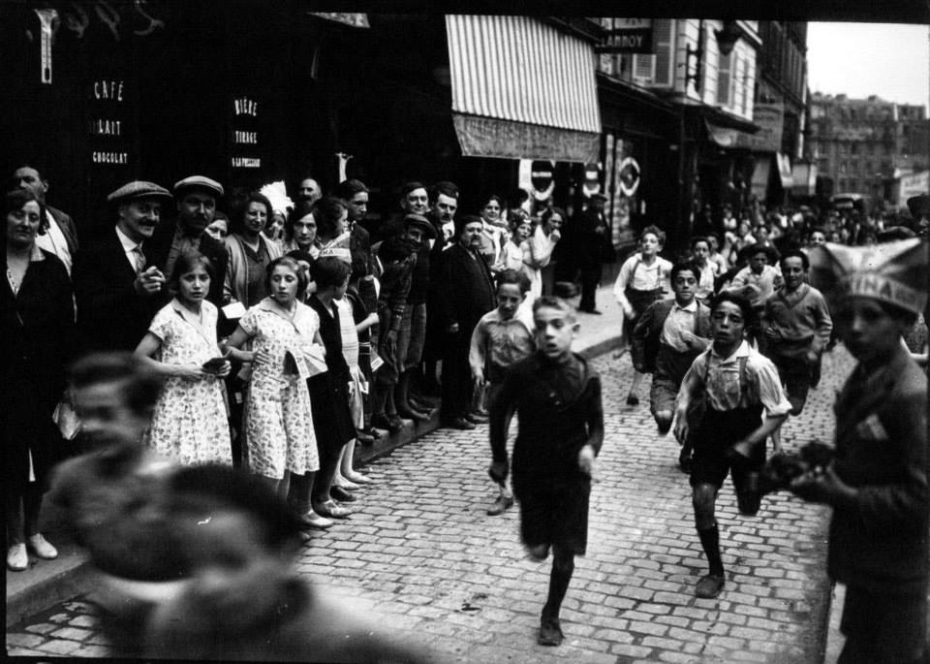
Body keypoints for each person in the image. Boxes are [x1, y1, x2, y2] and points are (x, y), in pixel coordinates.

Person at [792, 238, 928, 664]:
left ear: (904, 320)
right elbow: (872, 461)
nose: (853, 328)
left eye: (872, 316)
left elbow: (922, 496)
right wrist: (826, 464)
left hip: (896, 574)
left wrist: (843, 495)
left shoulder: (910, 394)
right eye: (846, 314)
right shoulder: (866, 374)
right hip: (867, 565)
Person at [488, 296, 604, 646]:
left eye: (557, 325)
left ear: (574, 330)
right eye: (541, 326)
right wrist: (499, 458)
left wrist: (590, 449)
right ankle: (537, 539)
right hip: (531, 471)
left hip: (572, 473)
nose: (549, 334)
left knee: (565, 551)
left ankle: (551, 614)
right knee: (538, 548)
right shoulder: (521, 373)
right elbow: (498, 414)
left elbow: (596, 427)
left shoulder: (587, 375)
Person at [673, 292, 792, 599]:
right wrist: (683, 414)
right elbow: (688, 386)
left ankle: (756, 486)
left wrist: (750, 443)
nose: (725, 324)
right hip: (712, 433)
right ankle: (715, 570)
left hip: (749, 434)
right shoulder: (705, 359)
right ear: (711, 320)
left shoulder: (757, 365)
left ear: (745, 328)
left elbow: (779, 413)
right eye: (719, 317)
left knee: (749, 505)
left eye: (734, 319)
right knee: (702, 498)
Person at [3, 189, 74, 571]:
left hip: (42, 380)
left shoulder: (52, 268)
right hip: (5, 380)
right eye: (17, 215)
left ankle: (34, 530)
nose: (25, 223)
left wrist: (67, 381)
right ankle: (13, 537)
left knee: (39, 458)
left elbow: (67, 328)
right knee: (9, 458)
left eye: (33, 218)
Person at [222, 257, 321, 518]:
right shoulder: (257, 313)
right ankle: (260, 523)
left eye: (289, 279)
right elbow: (227, 347)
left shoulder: (309, 315)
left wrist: (307, 354)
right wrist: (247, 357)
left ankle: (278, 522)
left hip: (295, 393)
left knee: (288, 459)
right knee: (270, 461)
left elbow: (321, 348)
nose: (282, 285)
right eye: (276, 279)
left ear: (300, 282)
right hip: (264, 395)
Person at [134, 252, 232, 466]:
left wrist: (222, 366)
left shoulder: (211, 310)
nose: (197, 285)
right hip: (176, 402)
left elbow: (209, 346)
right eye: (189, 278)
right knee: (178, 466)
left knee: (207, 466)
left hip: (207, 402)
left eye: (203, 278)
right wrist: (180, 370)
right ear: (178, 281)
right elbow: (137, 359)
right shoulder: (167, 317)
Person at [73, 181, 173, 352]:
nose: (153, 218)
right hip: (106, 360)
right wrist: (134, 290)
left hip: (145, 361)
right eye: (144, 209)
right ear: (122, 211)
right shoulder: (93, 252)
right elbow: (88, 308)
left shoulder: (154, 253)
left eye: (156, 211)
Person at [632, 262, 712, 472]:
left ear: (697, 285)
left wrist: (698, 341)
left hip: (695, 373)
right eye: (680, 281)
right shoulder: (660, 308)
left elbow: (719, 345)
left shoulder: (707, 314)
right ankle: (665, 420)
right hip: (666, 368)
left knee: (696, 418)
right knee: (663, 414)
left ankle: (687, 453)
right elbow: (638, 332)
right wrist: (639, 360)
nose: (685, 285)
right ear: (673, 285)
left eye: (690, 281)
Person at [297, 254, 358, 521]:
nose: (346, 289)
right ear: (334, 285)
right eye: (345, 283)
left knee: (340, 436)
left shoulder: (332, 308)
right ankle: (318, 497)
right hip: (319, 384)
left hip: (335, 379)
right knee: (326, 440)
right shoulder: (312, 311)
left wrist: (345, 377)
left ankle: (327, 489)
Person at [470, 269, 535, 515]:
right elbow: (476, 345)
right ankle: (504, 492)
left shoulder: (531, 323)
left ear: (524, 298)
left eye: (513, 299)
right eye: (502, 298)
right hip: (499, 386)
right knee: (498, 440)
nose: (507, 304)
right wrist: (477, 368)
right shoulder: (488, 321)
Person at [761, 249, 833, 452]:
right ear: (781, 272)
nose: (791, 274)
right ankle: (776, 446)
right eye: (787, 270)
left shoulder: (814, 297)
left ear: (805, 271)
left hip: (802, 357)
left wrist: (815, 349)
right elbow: (765, 318)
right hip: (777, 356)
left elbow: (825, 325)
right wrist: (768, 330)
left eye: (796, 270)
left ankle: (780, 415)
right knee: (774, 402)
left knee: (796, 407)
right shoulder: (774, 299)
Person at [436, 214, 496, 430]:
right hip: (460, 324)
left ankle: (467, 409)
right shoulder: (451, 256)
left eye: (479, 230)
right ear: (460, 233)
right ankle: (453, 414)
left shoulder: (476, 254)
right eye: (471, 230)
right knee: (456, 369)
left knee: (471, 367)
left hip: (477, 324)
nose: (476, 234)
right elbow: (444, 290)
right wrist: (450, 319)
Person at [613, 225, 672, 405]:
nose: (648, 244)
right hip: (635, 310)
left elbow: (677, 277)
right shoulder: (632, 263)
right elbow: (618, 288)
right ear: (640, 244)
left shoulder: (664, 265)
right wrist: (627, 308)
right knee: (637, 348)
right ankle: (639, 382)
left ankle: (635, 390)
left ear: (659, 247)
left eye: (652, 241)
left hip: (654, 310)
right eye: (645, 241)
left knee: (653, 348)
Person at [148, 175, 228, 308]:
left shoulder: (218, 252)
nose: (202, 211)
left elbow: (214, 301)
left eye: (208, 205)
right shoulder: (155, 234)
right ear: (179, 204)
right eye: (194, 202)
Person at [371, 234, 415, 433]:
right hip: (372, 320)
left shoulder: (404, 266)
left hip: (386, 317)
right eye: (402, 263)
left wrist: (394, 328)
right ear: (394, 261)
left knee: (389, 363)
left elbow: (401, 297)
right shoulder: (371, 268)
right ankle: (373, 415)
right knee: (373, 365)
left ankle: (383, 411)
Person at [12, 164, 79, 276]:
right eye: (17, 182)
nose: (21, 185)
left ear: (45, 186)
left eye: (28, 180)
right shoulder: (12, 224)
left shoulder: (63, 219)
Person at [223, 191, 283, 308]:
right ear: (242, 215)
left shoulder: (273, 247)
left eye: (263, 215)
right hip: (240, 319)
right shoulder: (228, 245)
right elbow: (224, 291)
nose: (258, 219)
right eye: (253, 213)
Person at [725, 243, 783, 346]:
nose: (760, 262)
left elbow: (782, 282)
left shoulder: (772, 271)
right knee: (746, 342)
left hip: (766, 312)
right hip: (749, 312)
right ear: (750, 259)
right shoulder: (744, 273)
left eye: (763, 259)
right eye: (756, 259)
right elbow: (731, 290)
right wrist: (744, 288)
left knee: (764, 341)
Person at [573, 192, 611, 314]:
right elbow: (579, 234)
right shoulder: (585, 215)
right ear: (592, 203)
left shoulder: (601, 216)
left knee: (593, 280)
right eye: (598, 203)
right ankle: (589, 305)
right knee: (589, 280)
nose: (600, 205)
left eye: (602, 203)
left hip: (598, 254)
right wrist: (594, 231)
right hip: (588, 254)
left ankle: (585, 304)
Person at [525, 207, 563, 299]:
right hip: (525, 270)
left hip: (536, 271)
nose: (556, 225)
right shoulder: (535, 232)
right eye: (553, 221)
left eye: (559, 223)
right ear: (546, 220)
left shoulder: (550, 234)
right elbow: (538, 259)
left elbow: (544, 261)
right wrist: (553, 243)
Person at [689, 236, 718, 304]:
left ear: (709, 252)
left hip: (708, 301)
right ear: (692, 251)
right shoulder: (687, 267)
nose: (701, 253)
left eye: (704, 250)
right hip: (691, 301)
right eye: (697, 250)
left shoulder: (713, 266)